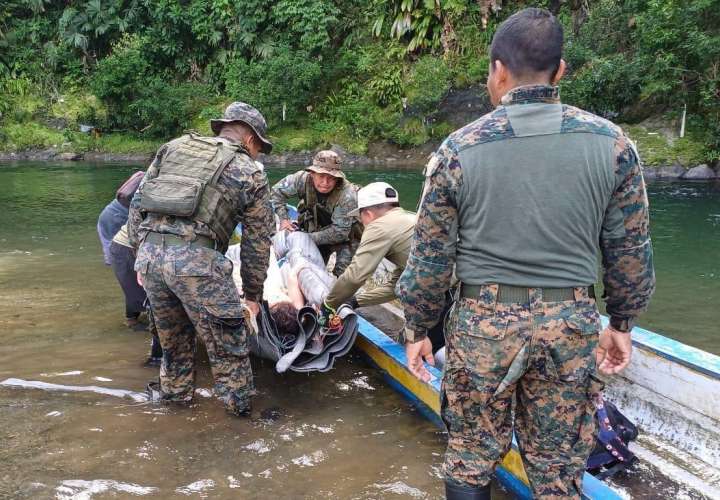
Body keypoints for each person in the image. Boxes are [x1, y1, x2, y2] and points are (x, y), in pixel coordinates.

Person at [397, 8, 655, 500]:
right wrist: (621, 325)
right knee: (558, 472)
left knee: (470, 458)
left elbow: (429, 260)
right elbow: (630, 252)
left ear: (497, 70)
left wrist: (417, 329)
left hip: (481, 328)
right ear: (560, 71)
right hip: (571, 326)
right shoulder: (614, 144)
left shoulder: (459, 148)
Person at [127, 101, 274, 417]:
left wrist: (141, 256)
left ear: (223, 127)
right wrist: (252, 297)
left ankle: (175, 412)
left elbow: (137, 204)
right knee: (229, 351)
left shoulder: (174, 148)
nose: (258, 153)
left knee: (174, 349)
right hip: (197, 263)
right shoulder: (249, 171)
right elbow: (256, 243)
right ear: (250, 139)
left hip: (150, 257)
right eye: (260, 147)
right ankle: (242, 424)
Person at [270, 150, 362, 276]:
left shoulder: (347, 195)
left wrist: (305, 238)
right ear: (312, 173)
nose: (325, 182)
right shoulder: (301, 179)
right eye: (321, 176)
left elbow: (340, 233)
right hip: (317, 228)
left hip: (346, 237)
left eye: (331, 178)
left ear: (337, 178)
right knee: (312, 271)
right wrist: (284, 219)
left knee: (343, 276)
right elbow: (276, 192)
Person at [109, 223, 147, 330]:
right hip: (127, 247)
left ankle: (133, 319)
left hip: (138, 246)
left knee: (138, 288)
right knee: (137, 289)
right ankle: (131, 321)